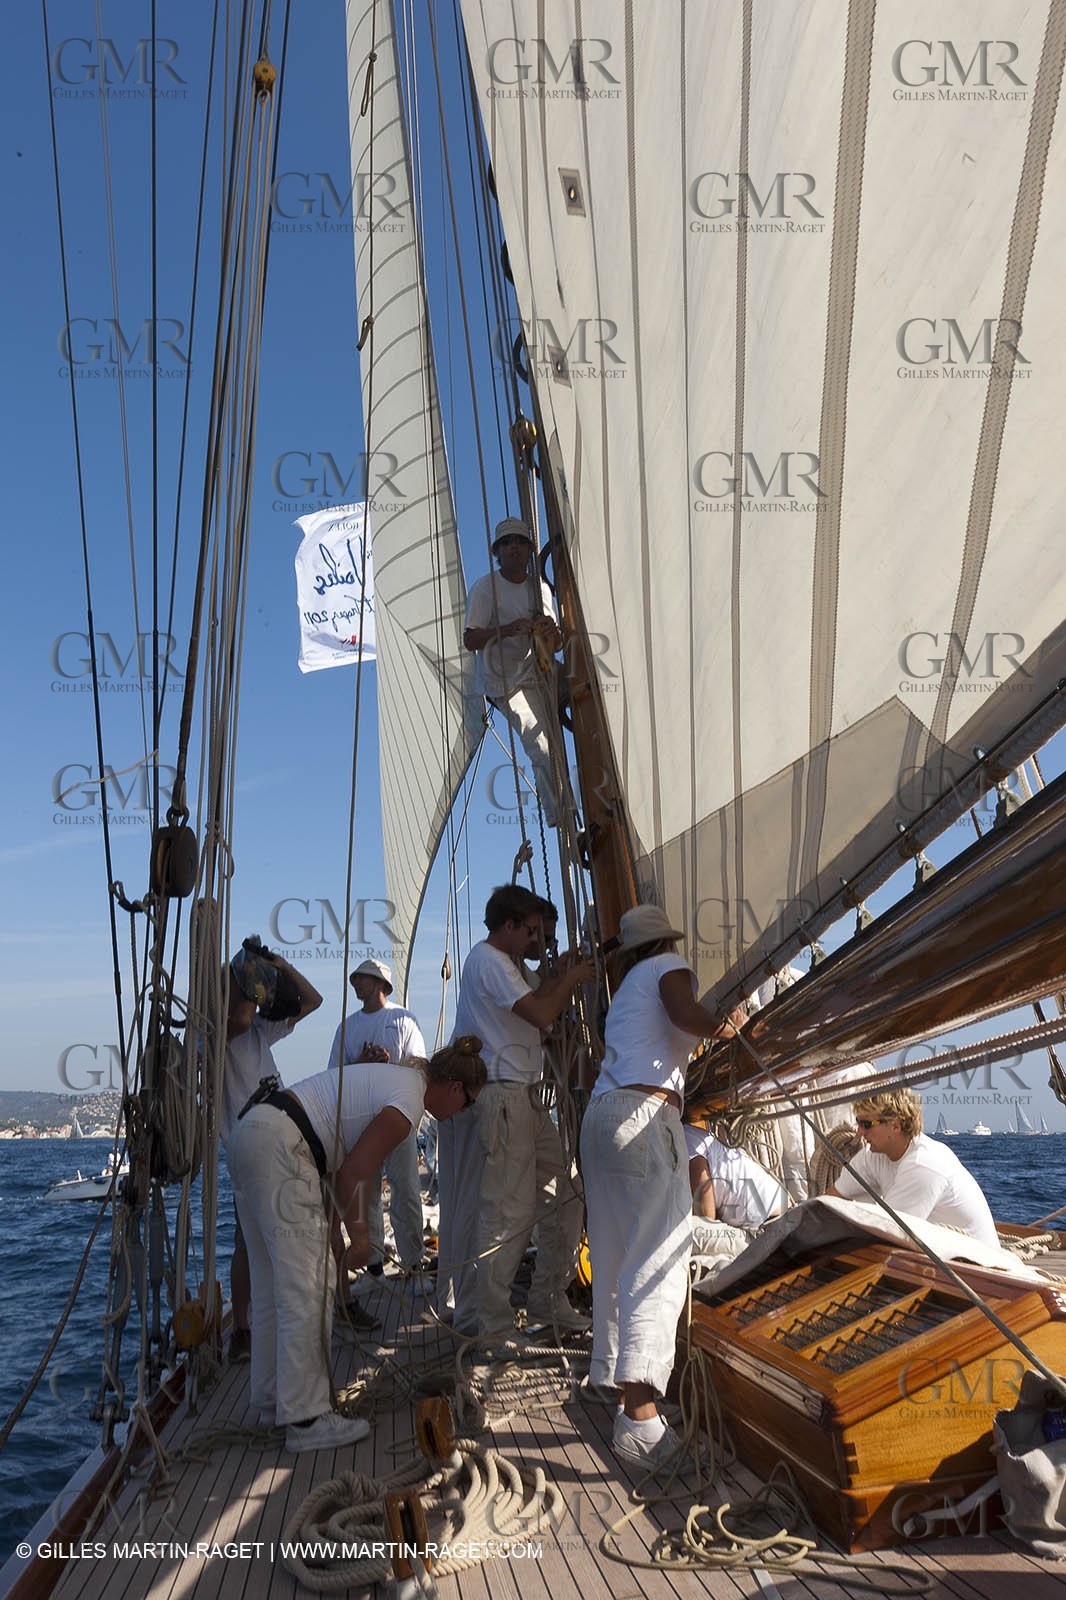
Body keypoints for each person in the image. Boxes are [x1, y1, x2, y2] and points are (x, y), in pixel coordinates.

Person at [228, 1038, 485, 1453]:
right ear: (454, 1088)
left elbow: (339, 1162)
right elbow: (352, 1173)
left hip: (253, 1135)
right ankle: (306, 1419)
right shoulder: (409, 1101)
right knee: (309, 1287)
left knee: (273, 1284)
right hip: (282, 1148)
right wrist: (361, 1239)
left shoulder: (398, 1081)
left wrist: (340, 1229)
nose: (461, 1114)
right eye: (468, 1103)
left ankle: (273, 1399)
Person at [580, 904, 738, 1473]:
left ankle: (617, 1384)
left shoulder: (622, 989)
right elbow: (687, 1013)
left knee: (619, 1256)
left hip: (601, 1116)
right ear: (664, 942)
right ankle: (641, 1419)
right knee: (659, 1262)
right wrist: (731, 1025)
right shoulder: (668, 966)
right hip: (645, 1119)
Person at [439, 884, 593, 1346]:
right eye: (532, 933)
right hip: (504, 1099)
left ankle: (547, 1299)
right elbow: (543, 1014)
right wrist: (574, 977)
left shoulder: (511, 968)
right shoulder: (489, 961)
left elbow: (540, 996)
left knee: (568, 1193)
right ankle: (494, 1330)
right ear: (509, 926)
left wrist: (559, 973)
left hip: (526, 1099)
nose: (538, 944)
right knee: (506, 1216)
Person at [219, 937, 322, 1361]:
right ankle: (243, 1328)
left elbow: (313, 1001)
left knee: (286, 1235)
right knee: (249, 1243)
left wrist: (281, 966)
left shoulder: (261, 1030)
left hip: (282, 1137)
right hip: (248, 1144)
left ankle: (279, 1319)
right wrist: (245, 969)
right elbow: (240, 1018)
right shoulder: (218, 1029)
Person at [326, 959, 427, 1275]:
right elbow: (335, 1076)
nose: (356, 983)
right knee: (366, 1195)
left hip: (397, 1115)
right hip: (361, 1120)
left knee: (406, 1190)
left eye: (363, 978)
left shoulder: (403, 1020)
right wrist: (361, 1062)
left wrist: (387, 1064)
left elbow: (419, 1065)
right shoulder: (348, 1027)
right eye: (354, 979)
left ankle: (413, 1263)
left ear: (380, 983)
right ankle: (373, 1267)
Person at [463, 518, 563, 826]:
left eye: (520, 542)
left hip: (537, 669)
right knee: (541, 743)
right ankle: (559, 815)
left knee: (593, 707)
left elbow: (556, 643)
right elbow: (470, 639)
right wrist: (507, 630)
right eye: (506, 543)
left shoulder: (540, 589)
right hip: (502, 681)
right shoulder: (486, 587)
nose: (513, 548)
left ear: (530, 550)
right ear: (498, 552)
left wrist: (548, 630)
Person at [827, 1087, 998, 1246]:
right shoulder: (872, 1155)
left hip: (974, 1268)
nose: (859, 1132)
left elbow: (889, 1232)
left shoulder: (923, 1165)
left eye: (866, 1125)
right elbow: (832, 1199)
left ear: (895, 1126)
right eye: (858, 1123)